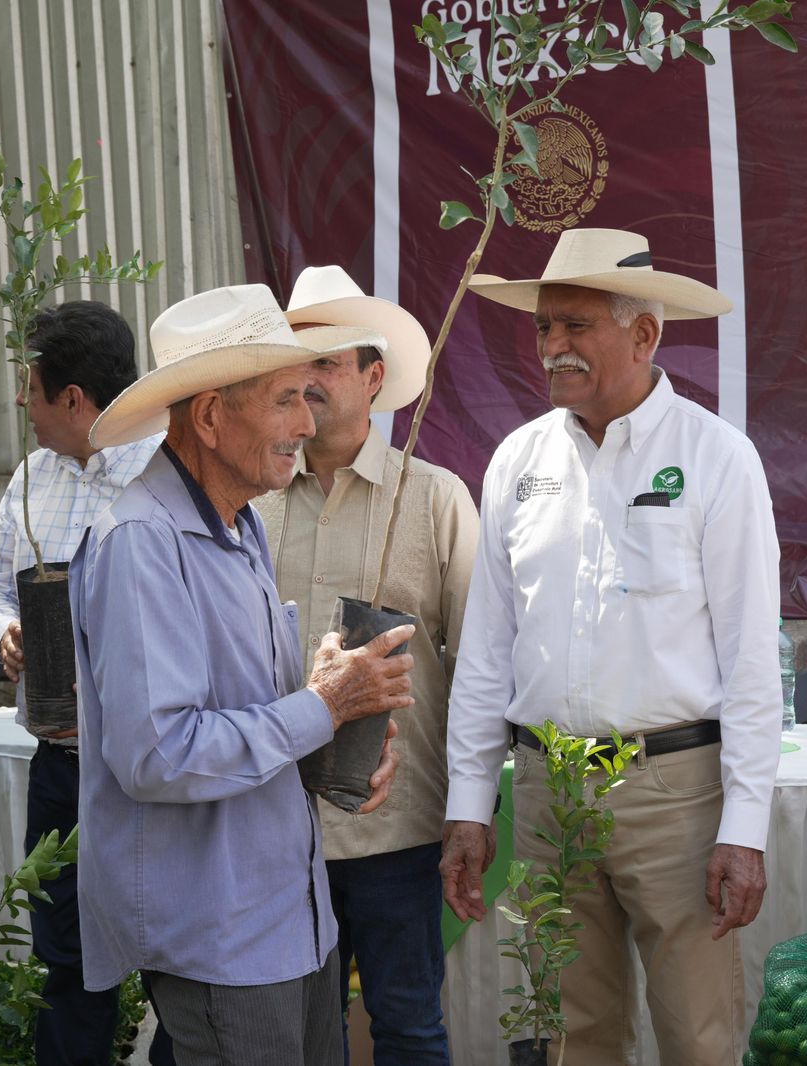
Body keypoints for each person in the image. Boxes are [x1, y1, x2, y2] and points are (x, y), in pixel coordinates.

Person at [441, 228, 782, 1062]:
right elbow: (488, 647)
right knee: (566, 1038)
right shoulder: (519, 460)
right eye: (545, 328)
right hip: (551, 794)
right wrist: (467, 803)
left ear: (645, 334)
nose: (553, 348)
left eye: (576, 327)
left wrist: (745, 826)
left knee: (698, 1035)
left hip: (675, 793)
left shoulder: (716, 458)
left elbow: (749, 663)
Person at [69, 283, 413, 1066]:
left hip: (289, 912)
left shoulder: (240, 520)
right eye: (287, 398)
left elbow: (242, 714)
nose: (307, 421)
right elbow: (158, 754)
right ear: (212, 416)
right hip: (219, 931)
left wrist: (336, 739)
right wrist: (323, 707)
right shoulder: (141, 541)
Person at [253, 267, 477, 1064]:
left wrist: (469, 810)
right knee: (299, 1039)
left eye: (327, 364)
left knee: (409, 1027)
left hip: (399, 827)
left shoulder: (433, 499)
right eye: (295, 364)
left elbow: (480, 663)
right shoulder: (254, 502)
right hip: (275, 823)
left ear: (374, 379)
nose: (306, 383)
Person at [0, 301, 171, 1066]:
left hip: (149, 772)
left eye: (30, 386)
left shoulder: (167, 471)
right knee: (67, 966)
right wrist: (2, 632)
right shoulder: (28, 479)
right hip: (59, 766)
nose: (21, 401)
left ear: (73, 399)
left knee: (169, 967)